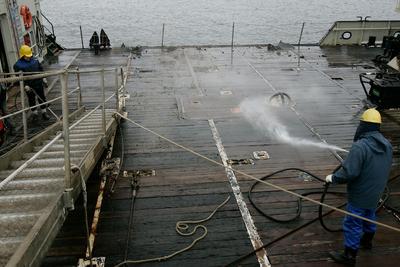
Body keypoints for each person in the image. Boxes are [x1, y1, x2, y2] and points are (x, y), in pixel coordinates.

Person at [325, 108, 392, 266]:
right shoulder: (387, 145)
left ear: (363, 125)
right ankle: (367, 241)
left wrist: (332, 178)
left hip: (360, 193)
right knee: (369, 214)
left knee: (353, 222)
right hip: (376, 192)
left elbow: (349, 173)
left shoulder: (360, 147)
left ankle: (349, 255)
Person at [13, 45, 50, 120]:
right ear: (22, 55)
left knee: (42, 97)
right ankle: (35, 113)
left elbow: (41, 69)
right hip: (29, 86)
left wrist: (44, 77)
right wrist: (25, 85)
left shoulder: (35, 60)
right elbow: (19, 77)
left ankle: (44, 112)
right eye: (27, 56)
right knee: (31, 99)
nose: (28, 57)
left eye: (29, 56)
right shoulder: (17, 65)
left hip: (38, 83)